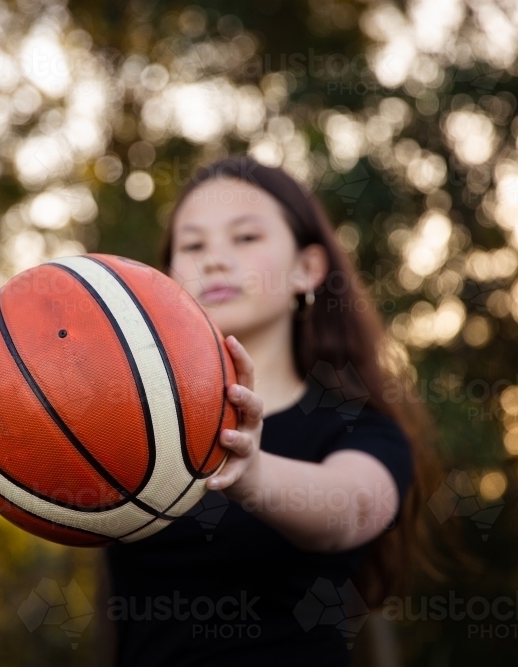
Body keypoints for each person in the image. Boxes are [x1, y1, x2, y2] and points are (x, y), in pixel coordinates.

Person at [101, 155, 440, 666]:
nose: (214, 260)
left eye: (245, 237)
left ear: (307, 269)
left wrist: (252, 472)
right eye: (192, 245)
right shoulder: (132, 426)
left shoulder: (358, 427)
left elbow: (351, 508)